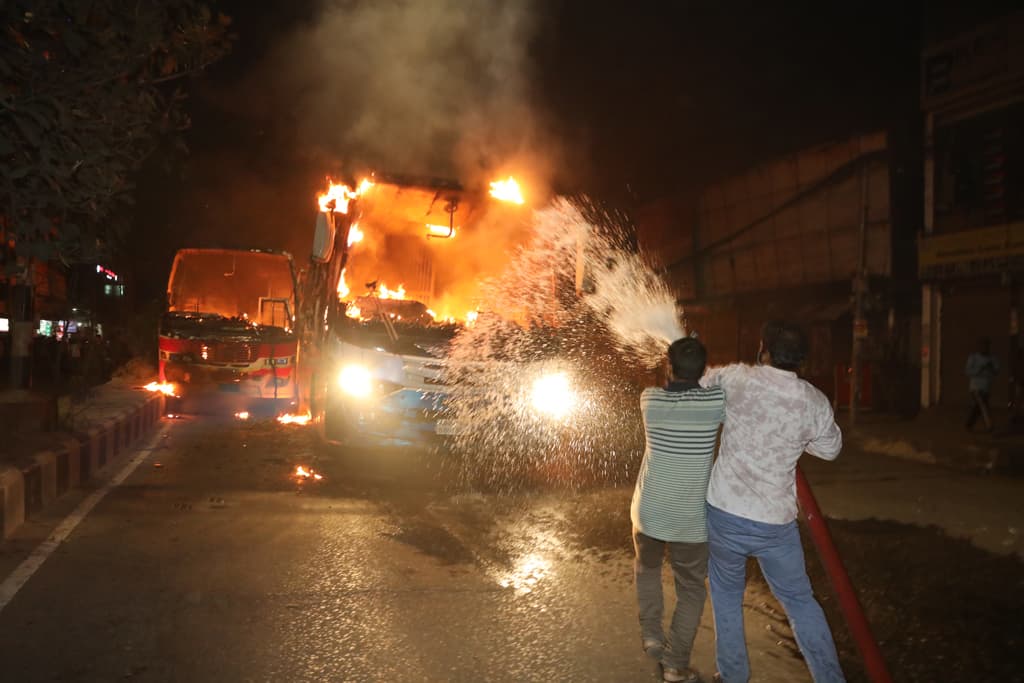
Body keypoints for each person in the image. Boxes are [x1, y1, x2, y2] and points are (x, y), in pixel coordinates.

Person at [701, 321, 845, 683]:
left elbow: (700, 381)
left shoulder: (739, 378)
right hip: (774, 524)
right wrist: (798, 439)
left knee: (726, 595)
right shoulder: (813, 400)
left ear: (763, 349)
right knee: (799, 601)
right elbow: (831, 449)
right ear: (801, 360)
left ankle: (733, 676)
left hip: (725, 513)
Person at [631, 336, 725, 683]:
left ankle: (652, 636)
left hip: (649, 513)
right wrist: (704, 372)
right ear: (702, 370)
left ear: (668, 367)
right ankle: (674, 665)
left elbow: (670, 382)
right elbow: (717, 384)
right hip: (690, 522)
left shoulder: (649, 400)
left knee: (647, 569)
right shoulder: (715, 401)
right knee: (691, 590)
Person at [966, 337, 999, 432]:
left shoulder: (992, 359)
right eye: (982, 346)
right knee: (983, 406)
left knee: (979, 407)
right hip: (975, 388)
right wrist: (980, 369)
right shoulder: (973, 358)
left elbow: (996, 371)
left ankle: (969, 424)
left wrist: (991, 366)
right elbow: (968, 371)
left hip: (986, 388)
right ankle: (990, 426)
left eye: (986, 346)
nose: (984, 348)